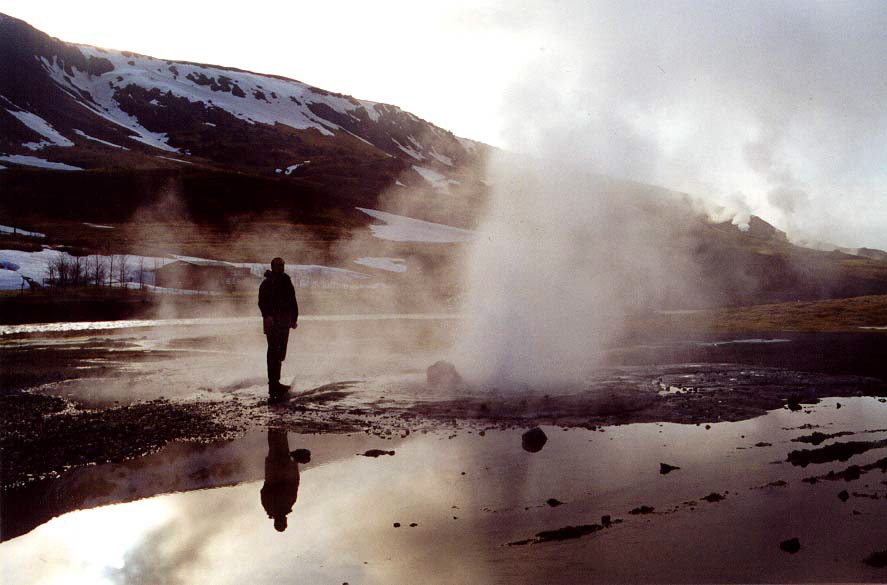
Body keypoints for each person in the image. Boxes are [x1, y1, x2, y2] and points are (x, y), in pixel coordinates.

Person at [258, 257, 299, 398]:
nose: (281, 268)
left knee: (281, 352)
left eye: (282, 265)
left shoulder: (286, 282)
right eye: (278, 266)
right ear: (273, 267)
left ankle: (277, 382)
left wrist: (294, 319)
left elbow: (293, 300)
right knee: (273, 352)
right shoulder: (267, 283)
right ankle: (273, 384)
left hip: (284, 321)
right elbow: (262, 302)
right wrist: (267, 315)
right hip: (272, 322)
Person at [260, 428, 309, 532]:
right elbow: (264, 491)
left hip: (280, 471)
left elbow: (294, 483)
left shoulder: (287, 504)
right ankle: (274, 427)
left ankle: (277, 426)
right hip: (273, 472)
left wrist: (294, 464)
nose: (285, 519)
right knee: (275, 446)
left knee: (279, 446)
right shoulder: (269, 507)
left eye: (284, 521)